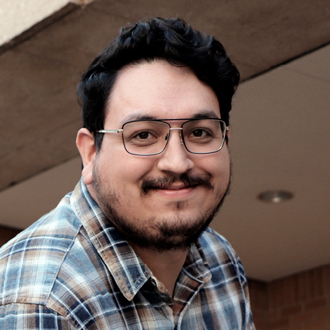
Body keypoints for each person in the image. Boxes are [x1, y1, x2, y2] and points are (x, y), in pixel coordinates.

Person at [0, 17, 255, 329]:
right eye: (143, 135)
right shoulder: (41, 301)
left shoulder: (220, 261)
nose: (177, 162)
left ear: (225, 142)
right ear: (90, 153)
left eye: (200, 133)